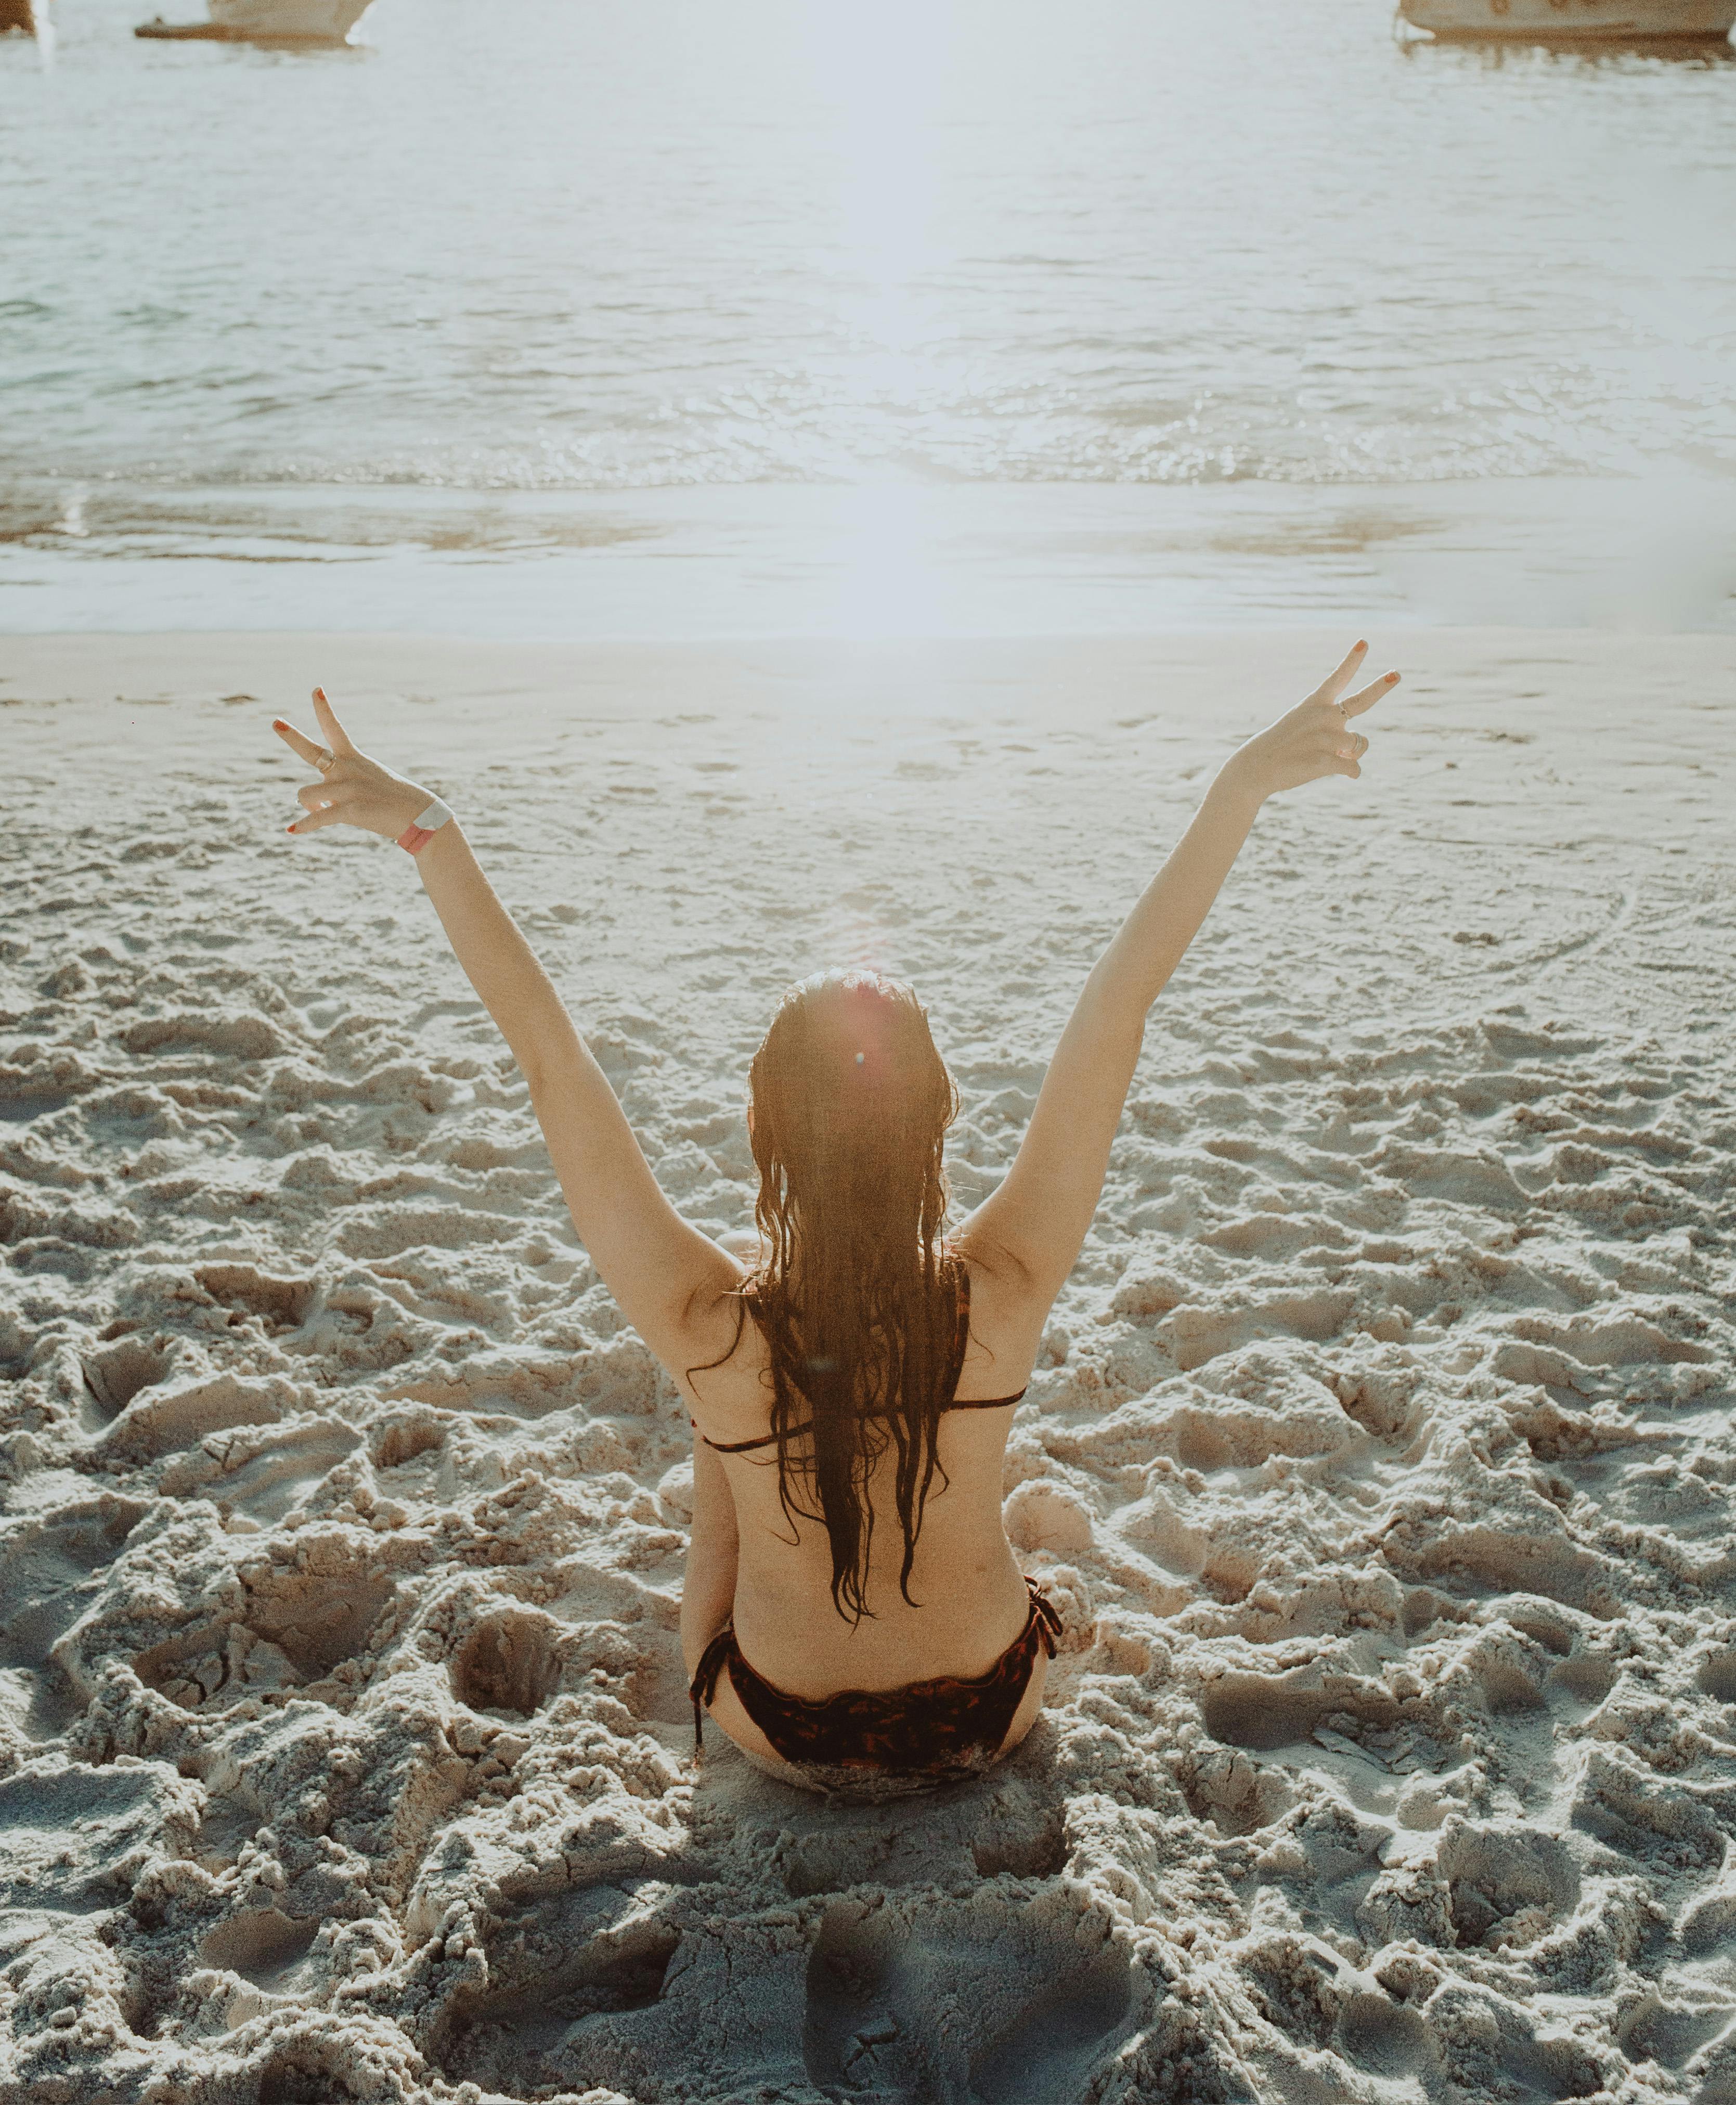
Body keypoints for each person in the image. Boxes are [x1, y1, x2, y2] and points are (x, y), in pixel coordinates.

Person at [274, 643, 1400, 1798]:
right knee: (851, 1433)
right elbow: (1118, 1004)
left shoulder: (707, 1316)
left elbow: (552, 1060)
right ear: (932, 1127)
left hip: (786, 1726)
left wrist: (430, 832)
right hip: (995, 1704)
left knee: (725, 1424)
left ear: (769, 1130)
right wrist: (1237, 789)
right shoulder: (1003, 1282)